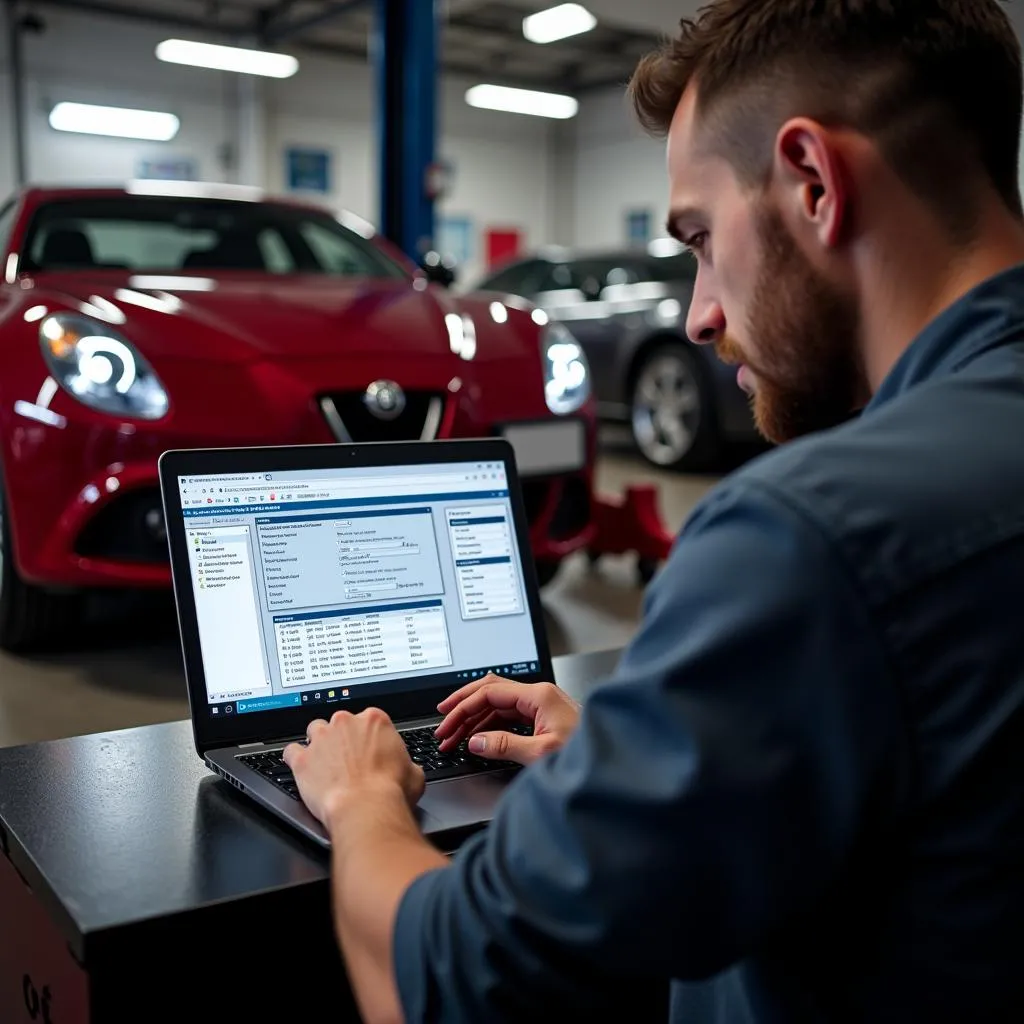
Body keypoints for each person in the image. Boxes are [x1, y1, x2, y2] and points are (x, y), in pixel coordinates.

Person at [283, 1, 1024, 1020]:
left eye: (701, 238)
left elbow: (447, 984)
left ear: (812, 181)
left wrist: (362, 799)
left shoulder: (811, 535)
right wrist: (649, 763)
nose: (698, 312)